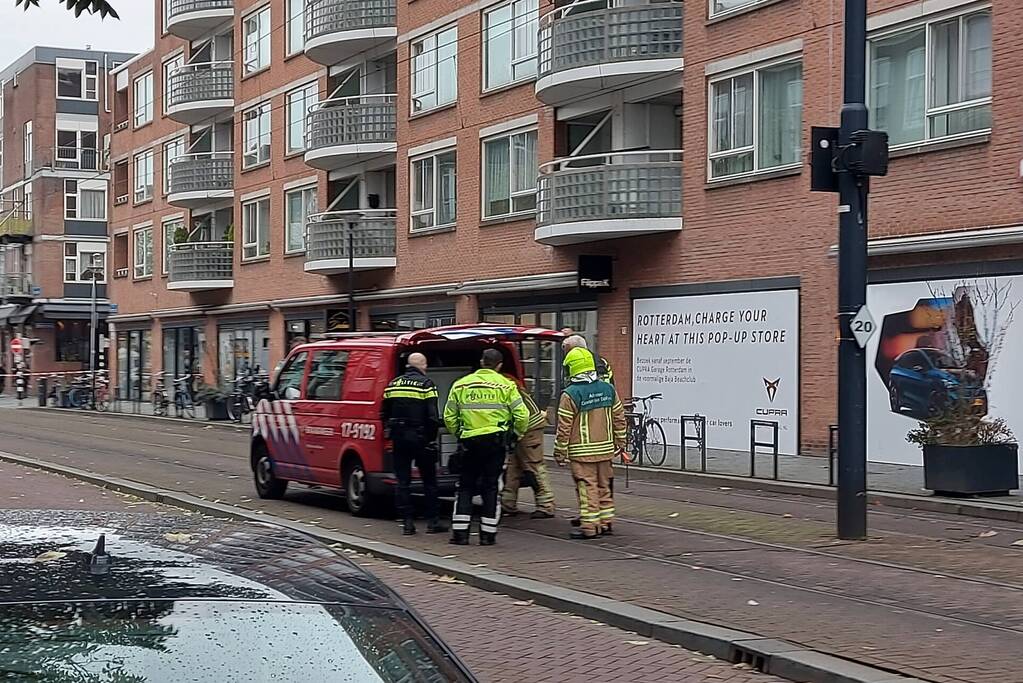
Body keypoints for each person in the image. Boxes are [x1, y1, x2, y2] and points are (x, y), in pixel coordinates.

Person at [444, 348, 529, 546]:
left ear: (482, 362)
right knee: (491, 487)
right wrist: (515, 435)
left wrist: (460, 433)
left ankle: (460, 534)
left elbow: (449, 416)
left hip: (469, 443)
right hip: (495, 443)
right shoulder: (506, 386)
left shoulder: (461, 384)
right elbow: (522, 416)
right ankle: (488, 534)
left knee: (465, 486)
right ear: (499, 365)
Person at [554, 347, 627, 540]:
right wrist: (621, 442)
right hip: (605, 449)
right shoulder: (608, 389)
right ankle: (606, 522)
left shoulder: (569, 395)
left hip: (582, 452)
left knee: (587, 488)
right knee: (604, 486)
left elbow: (564, 428)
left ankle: (589, 526)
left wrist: (559, 453)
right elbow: (619, 417)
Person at [381, 352, 444, 536]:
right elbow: (432, 416)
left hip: (399, 437)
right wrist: (431, 439)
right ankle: (433, 522)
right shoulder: (426, 384)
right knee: (429, 481)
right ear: (423, 365)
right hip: (420, 437)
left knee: (403, 481)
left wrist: (390, 430)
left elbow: (384, 412)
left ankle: (407, 523)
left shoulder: (393, 384)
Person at [500, 376, 556, 519]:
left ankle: (546, 505)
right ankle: (508, 503)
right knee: (514, 466)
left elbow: (518, 415)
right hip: (525, 425)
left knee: (534, 465)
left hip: (529, 427)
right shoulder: (507, 381)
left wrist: (513, 434)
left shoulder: (503, 385)